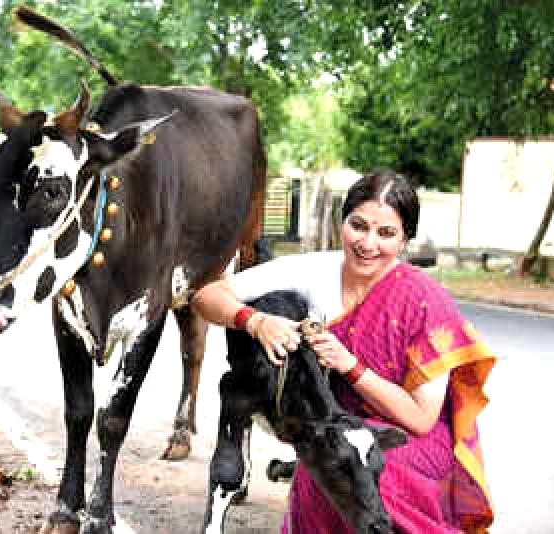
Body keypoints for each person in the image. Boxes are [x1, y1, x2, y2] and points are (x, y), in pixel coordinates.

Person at [191, 171, 495, 533]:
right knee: (324, 460)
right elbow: (206, 297)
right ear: (343, 223)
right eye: (358, 226)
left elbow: (420, 420)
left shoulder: (425, 302)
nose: (368, 243)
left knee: (353, 466)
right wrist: (255, 321)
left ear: (405, 240)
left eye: (386, 233)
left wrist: (350, 366)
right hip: (340, 425)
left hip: (410, 439)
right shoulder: (317, 269)